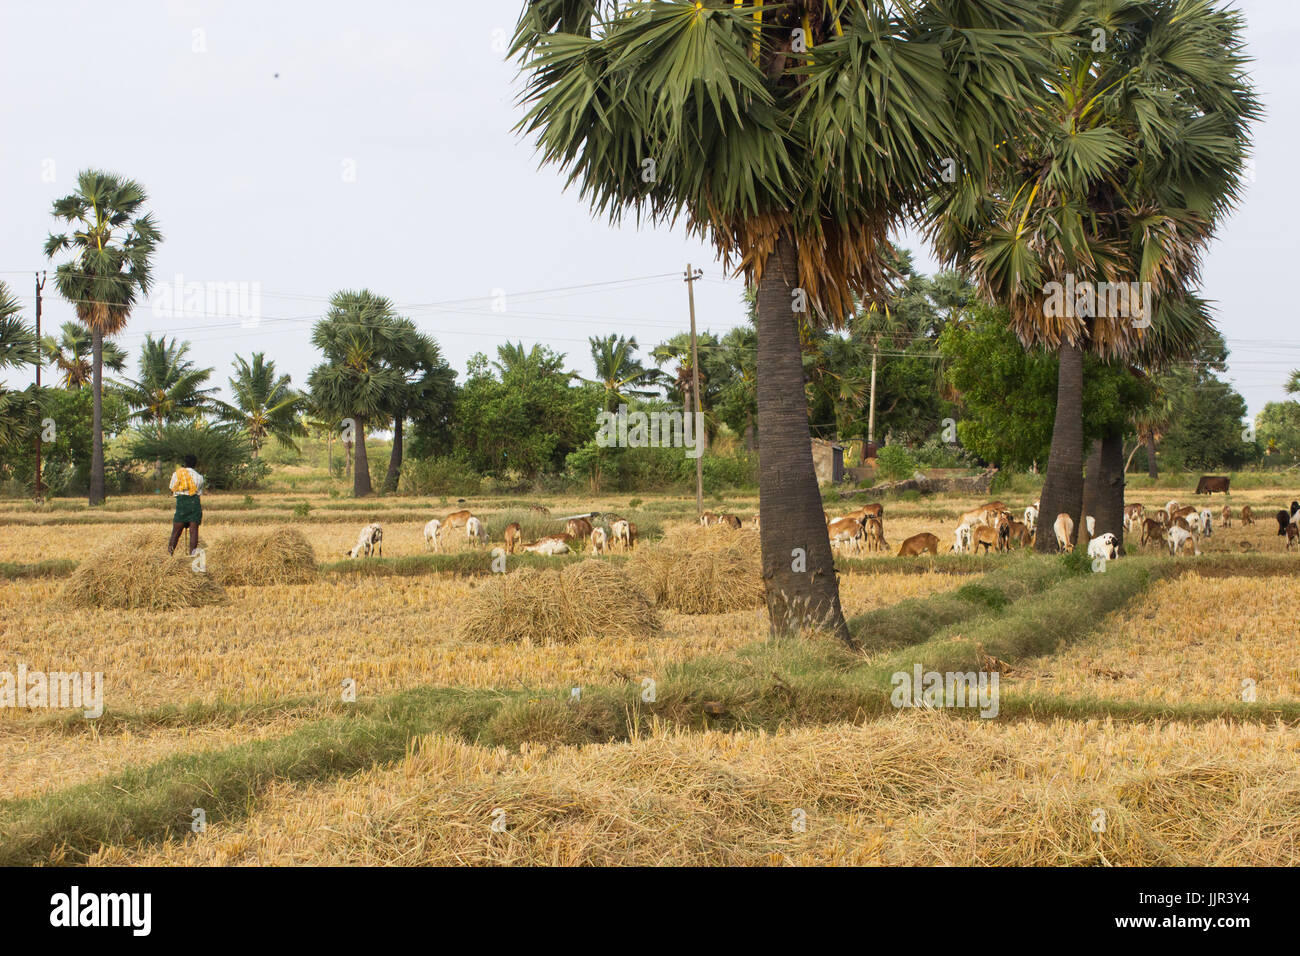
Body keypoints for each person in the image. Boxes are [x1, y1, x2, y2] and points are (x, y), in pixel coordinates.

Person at [168, 453, 206, 555]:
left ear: (185, 463)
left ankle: (169, 555)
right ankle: (192, 557)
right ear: (195, 464)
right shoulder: (200, 477)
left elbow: (172, 489)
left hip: (181, 505)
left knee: (175, 532)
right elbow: (199, 493)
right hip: (195, 505)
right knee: (194, 532)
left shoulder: (177, 474)